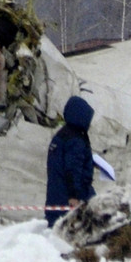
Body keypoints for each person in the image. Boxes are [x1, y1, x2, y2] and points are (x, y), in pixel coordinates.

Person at [46, 95, 95, 227]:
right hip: (72, 197)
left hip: (56, 195)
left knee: (55, 229)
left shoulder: (61, 135)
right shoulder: (76, 140)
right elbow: (73, 170)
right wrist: (74, 195)